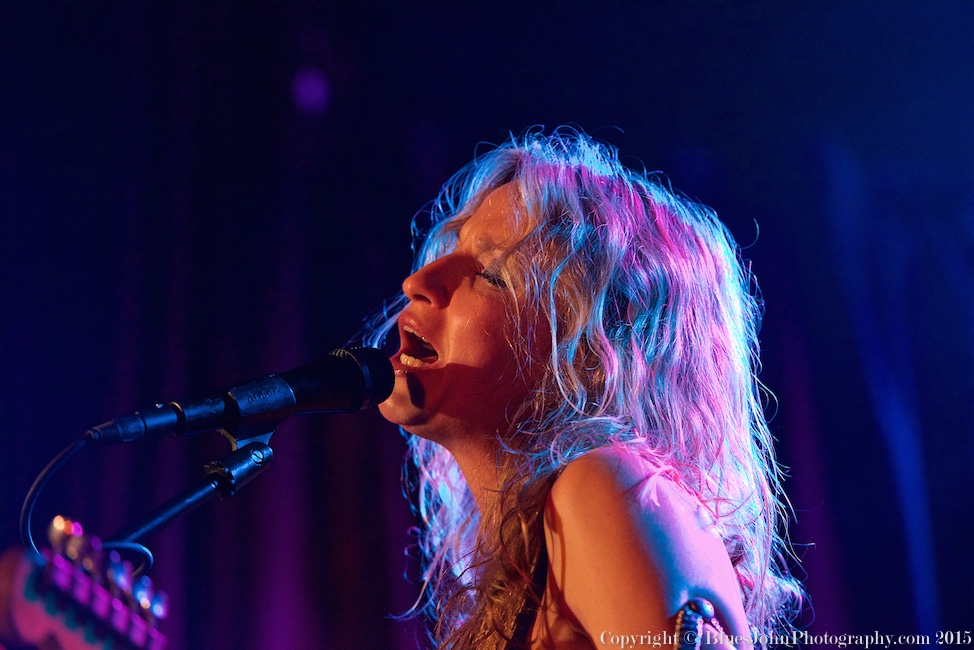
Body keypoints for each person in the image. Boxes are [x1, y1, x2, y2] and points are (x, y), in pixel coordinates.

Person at [366, 128, 802, 649]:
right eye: (454, 249)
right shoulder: (546, 542)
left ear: (593, 355)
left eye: (493, 274)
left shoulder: (606, 486)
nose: (420, 282)